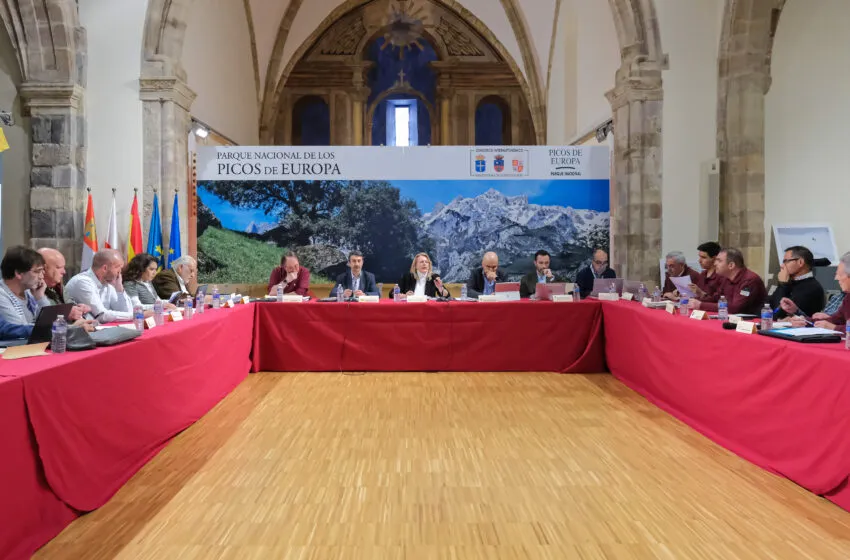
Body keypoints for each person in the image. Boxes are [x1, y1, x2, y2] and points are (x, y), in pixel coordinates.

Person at [691, 247, 767, 316]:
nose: (714, 263)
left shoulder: (750, 280)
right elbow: (716, 298)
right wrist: (693, 301)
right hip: (730, 318)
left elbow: (736, 308)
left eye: (719, 261)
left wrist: (701, 305)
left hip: (749, 324)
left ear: (731, 265)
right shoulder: (726, 278)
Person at [65, 249, 135, 322]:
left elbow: (126, 312)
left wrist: (119, 289)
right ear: (105, 268)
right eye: (118, 267)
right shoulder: (83, 282)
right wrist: (135, 315)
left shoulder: (108, 284)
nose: (120, 272)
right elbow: (101, 316)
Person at [791, 251, 850, 331]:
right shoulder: (848, 298)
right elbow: (835, 320)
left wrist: (833, 328)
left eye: (840, 274)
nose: (836, 278)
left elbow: (833, 325)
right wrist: (805, 321)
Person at [0, 246, 49, 325]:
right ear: (19, 273)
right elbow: (19, 329)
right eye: (37, 271)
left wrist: (40, 298)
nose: (41, 277)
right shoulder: (2, 296)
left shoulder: (29, 292)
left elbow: (49, 322)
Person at [772, 246, 825, 319]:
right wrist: (783, 284)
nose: (782, 266)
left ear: (800, 262)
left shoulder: (811, 287)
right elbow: (767, 308)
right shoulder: (789, 282)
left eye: (786, 261)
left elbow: (777, 314)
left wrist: (783, 285)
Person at [38, 248, 90, 320]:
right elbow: (37, 321)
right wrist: (65, 314)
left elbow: (70, 305)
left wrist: (80, 309)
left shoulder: (58, 286)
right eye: (59, 267)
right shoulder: (33, 291)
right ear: (43, 269)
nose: (64, 272)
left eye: (64, 267)